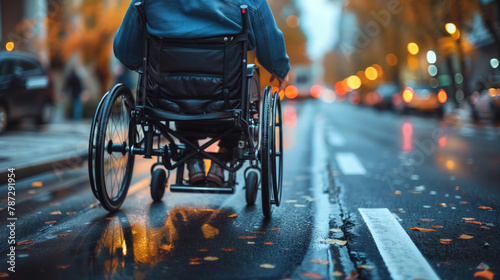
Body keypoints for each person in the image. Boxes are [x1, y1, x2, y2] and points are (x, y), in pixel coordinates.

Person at [113, 0, 290, 186]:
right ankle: (222, 159)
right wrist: (279, 69)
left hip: (167, 97)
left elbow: (125, 53)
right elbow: (268, 42)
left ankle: (192, 158)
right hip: (226, 96)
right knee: (244, 88)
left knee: (180, 93)